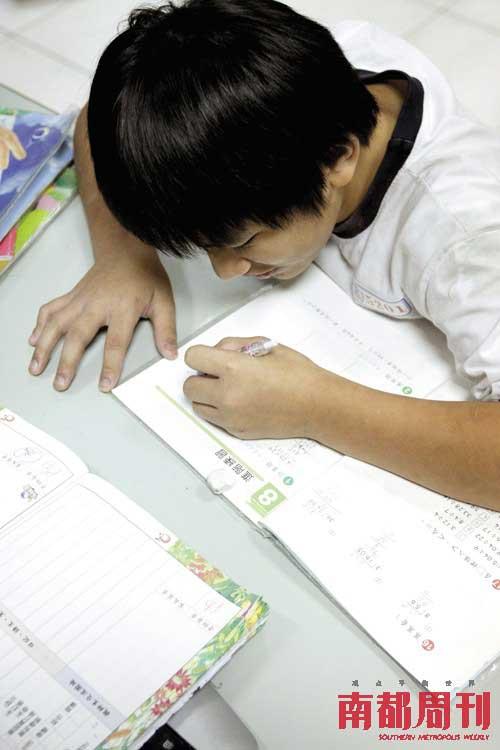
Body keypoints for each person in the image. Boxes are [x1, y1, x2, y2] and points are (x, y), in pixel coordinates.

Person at [28, 0, 500, 509]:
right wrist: (122, 256)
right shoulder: (306, 77)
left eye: (244, 242)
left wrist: (315, 408)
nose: (225, 272)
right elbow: (97, 123)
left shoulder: (465, 238)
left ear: (338, 158)